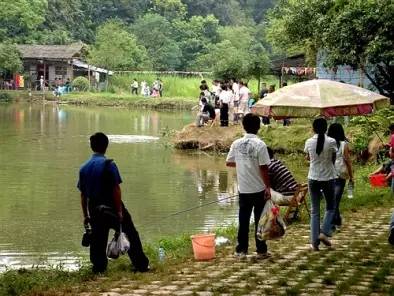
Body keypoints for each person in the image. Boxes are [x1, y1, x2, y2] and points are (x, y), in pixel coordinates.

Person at [77, 132, 150, 273]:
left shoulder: (83, 168)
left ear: (91, 147)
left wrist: (85, 215)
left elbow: (83, 195)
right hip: (111, 206)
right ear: (106, 146)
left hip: (94, 208)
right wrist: (120, 212)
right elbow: (116, 189)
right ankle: (141, 265)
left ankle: (99, 268)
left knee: (98, 239)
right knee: (130, 234)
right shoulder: (109, 164)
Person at [226, 113, 271, 259]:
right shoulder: (260, 145)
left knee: (243, 220)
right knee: (260, 220)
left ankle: (241, 249)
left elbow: (229, 162)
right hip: (258, 189)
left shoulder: (236, 143)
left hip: (243, 189)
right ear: (258, 127)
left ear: (244, 127)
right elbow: (264, 168)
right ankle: (261, 250)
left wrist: (242, 162)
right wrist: (268, 187)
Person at [304, 118, 338, 250]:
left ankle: (314, 242)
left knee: (314, 211)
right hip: (328, 177)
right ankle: (324, 232)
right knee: (330, 207)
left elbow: (308, 157)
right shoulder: (331, 141)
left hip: (312, 178)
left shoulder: (308, 142)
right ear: (326, 128)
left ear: (313, 128)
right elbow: (333, 159)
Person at [327, 123, 354, 230]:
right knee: (335, 199)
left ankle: (335, 221)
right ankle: (335, 221)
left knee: (333, 200)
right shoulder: (344, 144)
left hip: (329, 174)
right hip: (340, 174)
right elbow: (347, 161)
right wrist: (351, 176)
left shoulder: (328, 143)